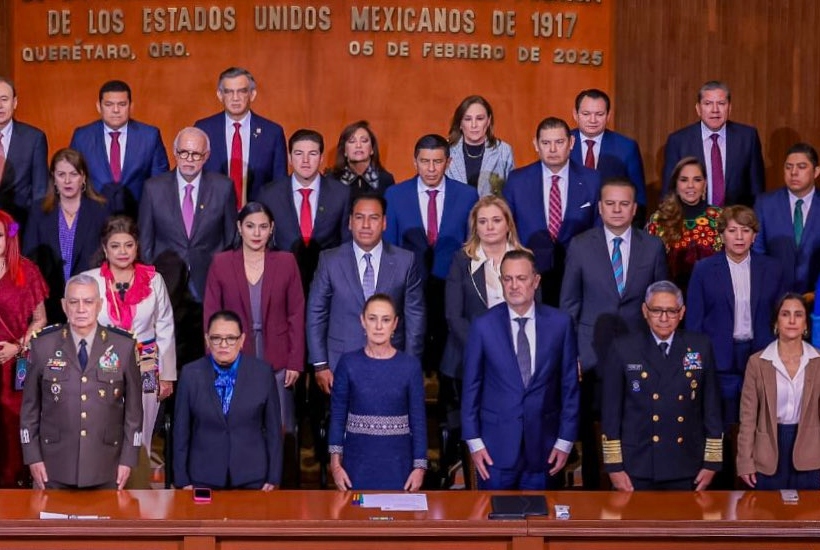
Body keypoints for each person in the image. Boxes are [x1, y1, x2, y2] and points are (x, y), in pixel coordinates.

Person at [560, 177, 668, 489]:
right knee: (596, 425)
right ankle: (595, 489)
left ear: (635, 209)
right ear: (600, 208)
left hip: (641, 354)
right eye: (610, 203)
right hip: (593, 354)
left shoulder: (653, 246)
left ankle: (635, 488)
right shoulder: (580, 246)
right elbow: (569, 304)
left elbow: (662, 303)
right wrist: (572, 355)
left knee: (636, 420)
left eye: (624, 204)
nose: (617, 210)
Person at [461, 250, 580, 489]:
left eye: (521, 278)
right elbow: (471, 387)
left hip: (545, 449)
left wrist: (565, 440)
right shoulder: (483, 326)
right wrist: (474, 441)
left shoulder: (560, 324)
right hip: (494, 450)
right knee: (494, 523)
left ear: (535, 281)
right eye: (507, 279)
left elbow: (569, 387)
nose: (514, 285)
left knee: (541, 524)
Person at [20, 274, 142, 489]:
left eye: (88, 301)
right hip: (54, 466)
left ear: (100, 305)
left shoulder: (123, 346)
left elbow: (134, 412)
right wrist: (32, 457)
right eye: (74, 302)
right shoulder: (43, 345)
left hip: (107, 466)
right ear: (64, 306)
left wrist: (128, 459)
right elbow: (30, 408)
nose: (81, 309)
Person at [600, 281, 723, 491]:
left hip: (686, 464)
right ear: (645, 311)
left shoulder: (700, 346)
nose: (664, 318)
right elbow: (611, 413)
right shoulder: (624, 348)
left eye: (671, 311)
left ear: (682, 312)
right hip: (637, 466)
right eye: (657, 310)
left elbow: (711, 407)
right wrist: (614, 466)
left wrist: (711, 462)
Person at [81, 215, 177, 481]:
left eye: (128, 245)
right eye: (115, 246)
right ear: (104, 248)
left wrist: (167, 374)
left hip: (145, 364)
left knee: (142, 431)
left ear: (137, 246)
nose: (122, 252)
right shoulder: (89, 281)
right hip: (102, 365)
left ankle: (139, 488)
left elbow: (165, 326)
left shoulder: (153, 279)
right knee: (104, 427)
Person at [204, 201, 305, 435]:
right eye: (250, 226)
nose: (257, 233)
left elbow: (296, 314)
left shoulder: (286, 262)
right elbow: (211, 314)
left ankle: (278, 472)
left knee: (279, 428)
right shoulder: (221, 263)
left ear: (272, 228)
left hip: (278, 360)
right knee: (238, 427)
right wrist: (214, 358)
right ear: (239, 228)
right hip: (233, 358)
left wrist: (295, 361)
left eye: (263, 227)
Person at [384, 134, 478, 376]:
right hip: (411, 286)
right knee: (413, 343)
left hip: (452, 285)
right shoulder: (395, 195)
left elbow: (472, 245)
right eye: (425, 161)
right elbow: (390, 246)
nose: (431, 168)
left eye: (437, 161)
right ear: (414, 162)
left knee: (450, 347)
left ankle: (448, 401)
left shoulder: (467, 195)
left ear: (448, 162)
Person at [173, 310, 282, 490]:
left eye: (231, 338)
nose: (223, 345)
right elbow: (180, 431)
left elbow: (273, 430)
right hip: (203, 476)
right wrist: (182, 480)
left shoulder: (262, 373)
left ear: (242, 340)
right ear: (207, 340)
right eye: (216, 338)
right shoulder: (191, 374)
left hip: (253, 476)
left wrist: (274, 477)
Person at [328, 294, 427, 491]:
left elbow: (418, 420)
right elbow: (338, 416)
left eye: (386, 319)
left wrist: (419, 467)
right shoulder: (348, 363)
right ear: (362, 321)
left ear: (395, 323)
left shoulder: (410, 366)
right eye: (372, 319)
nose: (379, 326)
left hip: (399, 467)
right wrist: (335, 465)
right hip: (356, 466)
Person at [503, 117, 602, 306]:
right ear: (536, 144)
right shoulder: (517, 181)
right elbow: (507, 228)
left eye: (559, 142)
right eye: (546, 143)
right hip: (530, 276)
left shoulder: (592, 180)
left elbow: (598, 228)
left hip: (579, 275)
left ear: (571, 142)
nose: (553, 149)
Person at [138, 126, 237, 305]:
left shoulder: (223, 187)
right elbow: (145, 241)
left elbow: (230, 238)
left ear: (206, 156)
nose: (189, 160)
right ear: (175, 153)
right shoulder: (153, 188)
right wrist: (153, 279)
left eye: (196, 154)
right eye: (183, 153)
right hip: (165, 281)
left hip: (210, 281)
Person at [737, 293, 820, 490]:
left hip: (812, 453)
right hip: (767, 456)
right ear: (776, 322)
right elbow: (747, 418)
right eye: (785, 314)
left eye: (798, 315)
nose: (792, 320)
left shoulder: (817, 361)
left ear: (806, 325)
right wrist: (745, 462)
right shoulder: (757, 362)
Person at [257, 129, 350, 294]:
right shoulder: (269, 194)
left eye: (312, 154)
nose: (305, 160)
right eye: (299, 154)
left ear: (321, 158)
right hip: (280, 285)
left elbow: (346, 243)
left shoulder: (341, 193)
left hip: (328, 285)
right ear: (290, 158)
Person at [24, 148, 108, 323]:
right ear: (53, 178)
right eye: (61, 174)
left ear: (83, 178)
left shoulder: (100, 211)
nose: (67, 181)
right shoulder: (39, 211)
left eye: (74, 174)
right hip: (50, 303)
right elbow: (30, 260)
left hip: (89, 302)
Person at [69, 80, 169, 217]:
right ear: (99, 107)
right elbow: (73, 180)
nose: (116, 110)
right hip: (93, 218)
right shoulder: (82, 136)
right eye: (109, 104)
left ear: (131, 106)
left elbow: (161, 184)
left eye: (122, 104)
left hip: (138, 218)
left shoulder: (150, 136)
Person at [0, 210, 47, 487]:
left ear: (9, 238)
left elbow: (40, 320)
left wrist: (17, 347)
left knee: (16, 431)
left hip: (15, 368)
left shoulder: (26, 271)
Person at [662, 80, 764, 207]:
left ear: (729, 108)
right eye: (708, 104)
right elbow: (668, 192)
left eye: (721, 103)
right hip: (692, 222)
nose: (715, 110)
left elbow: (757, 190)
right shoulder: (678, 141)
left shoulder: (748, 137)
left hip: (735, 223)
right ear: (698, 109)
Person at [195, 67, 288, 207]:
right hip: (212, 216)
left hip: (257, 220)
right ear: (220, 95)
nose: (235, 98)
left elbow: (280, 185)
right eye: (229, 92)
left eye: (242, 91)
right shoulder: (203, 129)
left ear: (252, 94)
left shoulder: (272, 132)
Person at [570, 89, 647, 225]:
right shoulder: (561, 143)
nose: (592, 120)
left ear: (608, 115)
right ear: (575, 115)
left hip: (611, 231)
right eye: (586, 114)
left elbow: (638, 199)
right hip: (567, 233)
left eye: (599, 114)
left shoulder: (626, 147)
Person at [647, 156, 723, 293]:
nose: (690, 186)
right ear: (676, 184)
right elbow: (648, 266)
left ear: (705, 184)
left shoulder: (720, 218)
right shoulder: (659, 220)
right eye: (684, 180)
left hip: (713, 294)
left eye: (697, 180)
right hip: (670, 299)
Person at [753, 142, 820, 294]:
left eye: (801, 167)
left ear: (816, 171)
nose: (793, 172)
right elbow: (757, 253)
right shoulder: (765, 204)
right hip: (774, 297)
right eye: (788, 167)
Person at [0, 77, 48, 235]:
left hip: (19, 227)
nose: (0, 105)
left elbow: (40, 191)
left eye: (4, 99)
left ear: (14, 103)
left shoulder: (34, 138)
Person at [445, 95, 514, 196]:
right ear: (460, 123)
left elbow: (511, 194)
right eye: (468, 119)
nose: (474, 125)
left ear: (488, 121)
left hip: (492, 211)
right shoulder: (446, 151)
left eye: (480, 118)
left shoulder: (504, 151)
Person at [329, 120, 395, 200]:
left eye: (364, 141)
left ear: (372, 149)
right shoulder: (332, 180)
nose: (358, 145)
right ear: (344, 151)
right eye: (352, 141)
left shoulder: (385, 179)